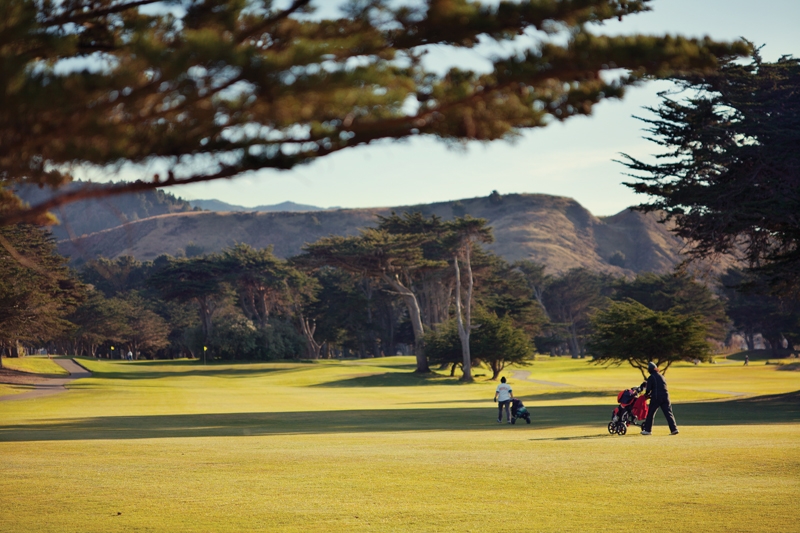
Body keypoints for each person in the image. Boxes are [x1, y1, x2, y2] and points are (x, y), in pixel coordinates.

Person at [641, 362, 679, 435]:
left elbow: (648, 389)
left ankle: (647, 430)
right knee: (668, 413)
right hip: (666, 396)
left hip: (656, 397)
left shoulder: (651, 377)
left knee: (650, 413)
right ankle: (674, 429)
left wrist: (646, 395)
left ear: (650, 370)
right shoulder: (662, 376)